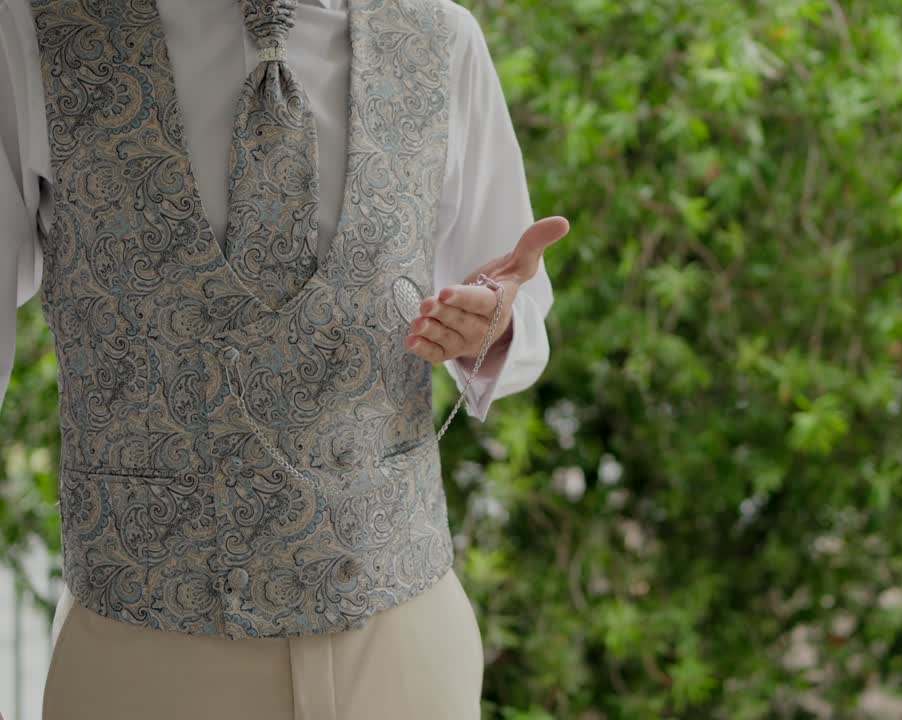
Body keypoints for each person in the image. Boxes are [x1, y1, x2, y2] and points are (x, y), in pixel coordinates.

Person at [0, 0, 568, 717]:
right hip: (141, 648)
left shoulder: (439, 36)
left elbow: (513, 295)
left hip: (400, 641)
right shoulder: (35, 29)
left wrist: (493, 323)